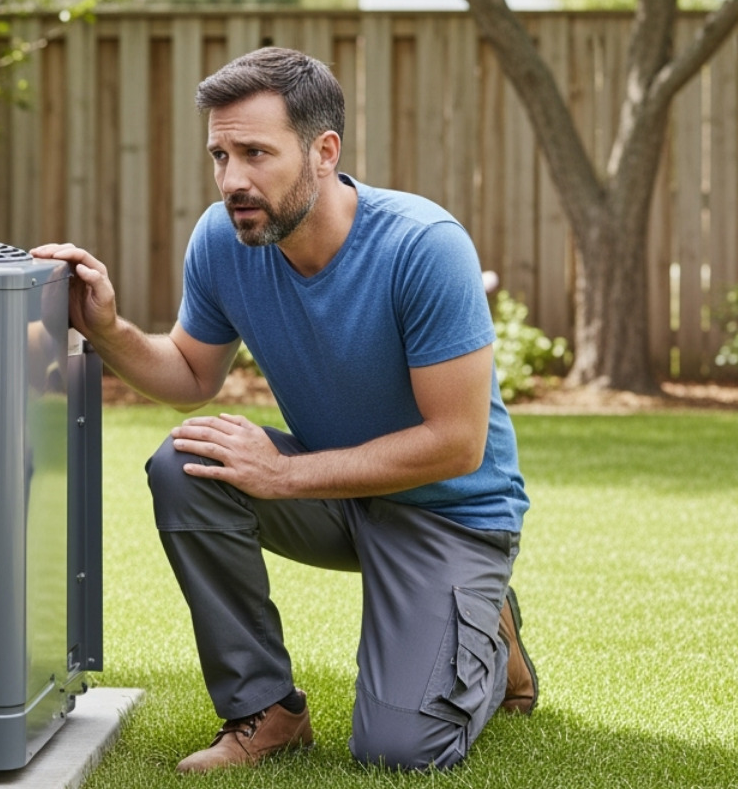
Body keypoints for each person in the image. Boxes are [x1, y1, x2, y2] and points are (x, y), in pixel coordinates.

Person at [32, 47, 535, 773]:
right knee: (187, 463)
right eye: (220, 155)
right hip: (338, 496)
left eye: (256, 154)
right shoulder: (224, 239)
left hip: (448, 513)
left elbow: (458, 445)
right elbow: (191, 373)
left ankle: (486, 629)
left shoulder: (423, 247)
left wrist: (286, 476)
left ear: (323, 152)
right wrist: (107, 330)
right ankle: (264, 711)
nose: (233, 179)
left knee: (402, 751)